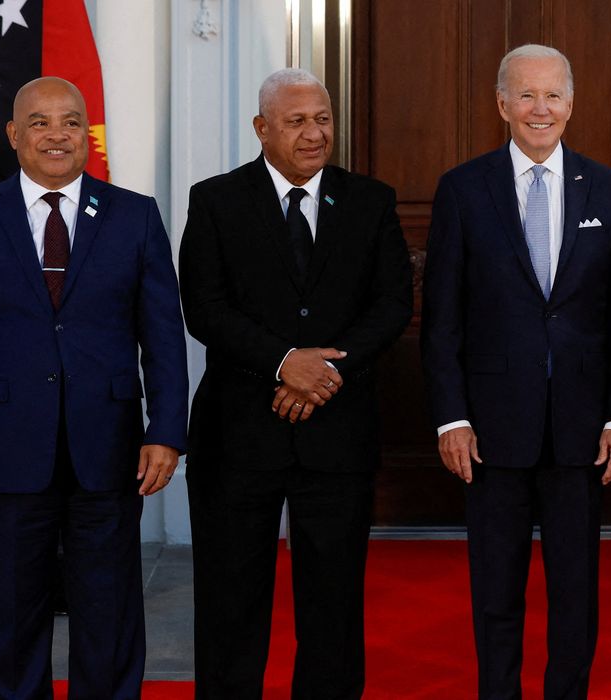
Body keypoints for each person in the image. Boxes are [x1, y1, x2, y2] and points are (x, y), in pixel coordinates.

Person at [0, 77, 188, 698]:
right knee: (10, 613)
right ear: (13, 135)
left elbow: (163, 336)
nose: (57, 134)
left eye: (71, 121)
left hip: (111, 448)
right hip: (8, 449)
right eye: (39, 123)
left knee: (110, 610)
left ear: (87, 133)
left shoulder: (134, 215)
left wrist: (166, 432)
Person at [420, 44, 611, 700]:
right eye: (525, 95)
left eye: (551, 95)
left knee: (575, 591)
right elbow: (441, 320)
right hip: (490, 432)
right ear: (501, 105)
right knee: (496, 589)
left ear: (570, 105)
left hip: (582, 431)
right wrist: (451, 417)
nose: (538, 108)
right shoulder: (463, 189)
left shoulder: (609, 190)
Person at [179, 68, 412, 699]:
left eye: (323, 119)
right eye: (297, 121)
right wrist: (285, 362)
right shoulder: (216, 201)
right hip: (238, 438)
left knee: (333, 608)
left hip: (337, 437)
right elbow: (204, 307)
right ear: (261, 129)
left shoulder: (371, 200)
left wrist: (325, 370)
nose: (315, 133)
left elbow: (392, 304)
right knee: (230, 605)